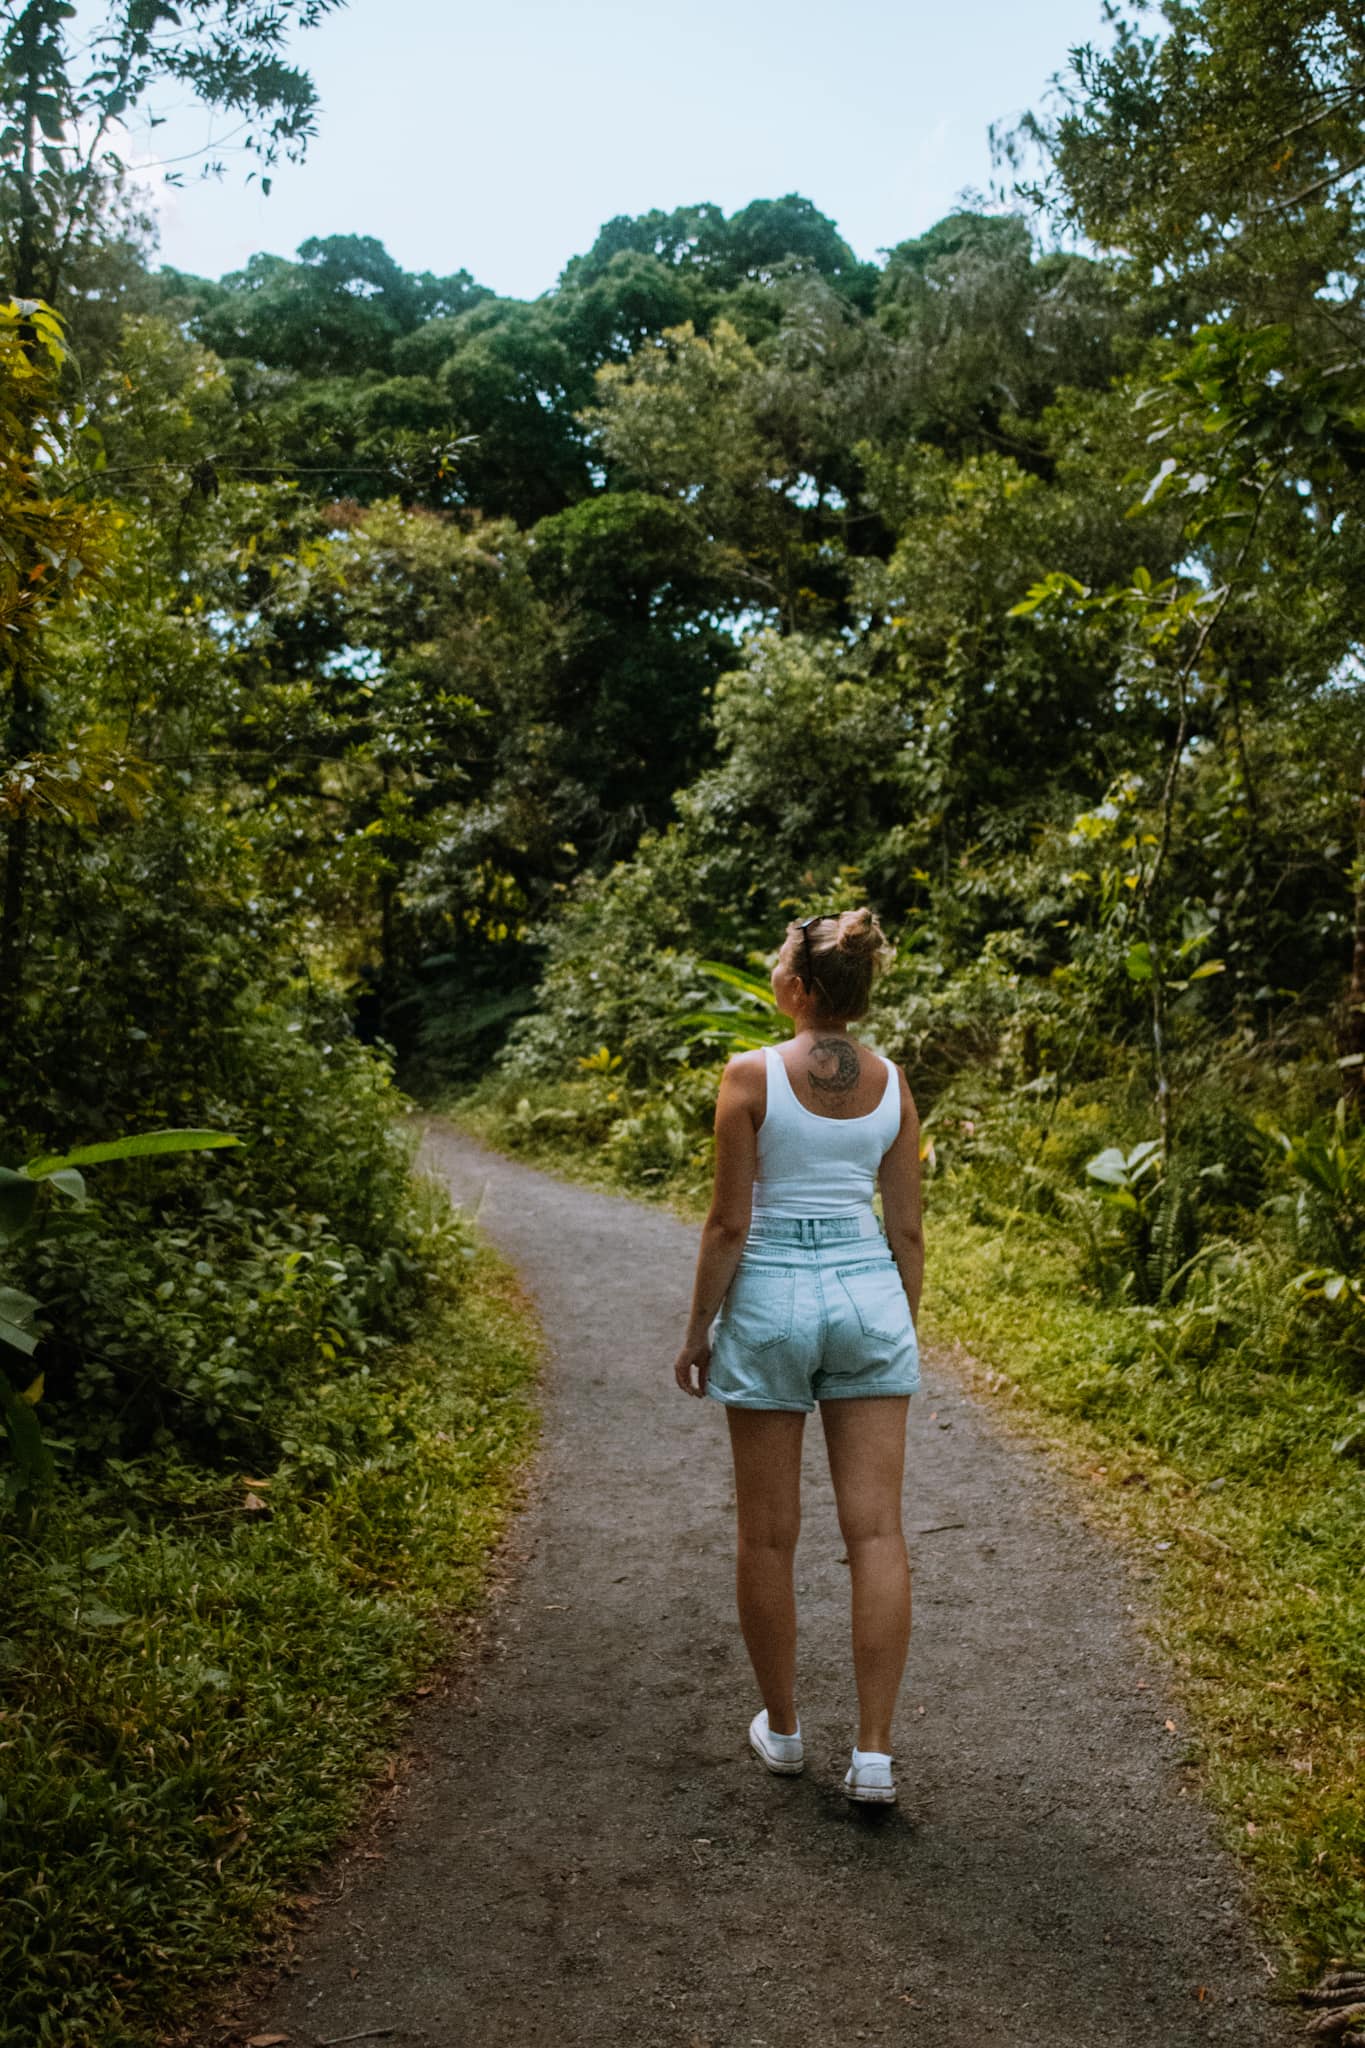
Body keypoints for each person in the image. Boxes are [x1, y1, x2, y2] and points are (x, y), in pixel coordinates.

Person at [672, 907, 924, 1806]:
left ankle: (781, 1733)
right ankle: (874, 1756)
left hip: (773, 1296)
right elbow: (905, 1229)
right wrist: (899, 1321)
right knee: (877, 1533)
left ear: (796, 989)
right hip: (866, 1293)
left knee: (767, 1535)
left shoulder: (747, 1075)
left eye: (782, 961)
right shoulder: (893, 1084)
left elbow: (729, 1223)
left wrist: (699, 1328)